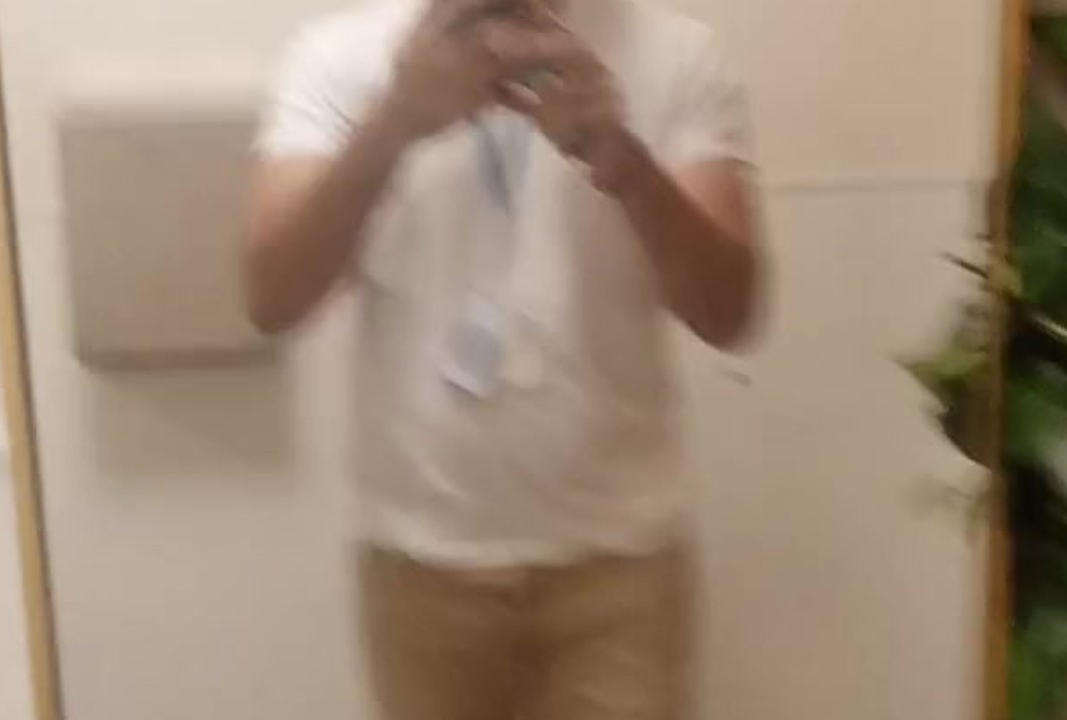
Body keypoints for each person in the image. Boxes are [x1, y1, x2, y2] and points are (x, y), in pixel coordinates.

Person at [244, 0, 763, 717]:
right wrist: (392, 125)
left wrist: (623, 158)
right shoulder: (339, 58)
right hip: (422, 562)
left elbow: (729, 312)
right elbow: (273, 296)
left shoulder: (675, 55)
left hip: (620, 564)